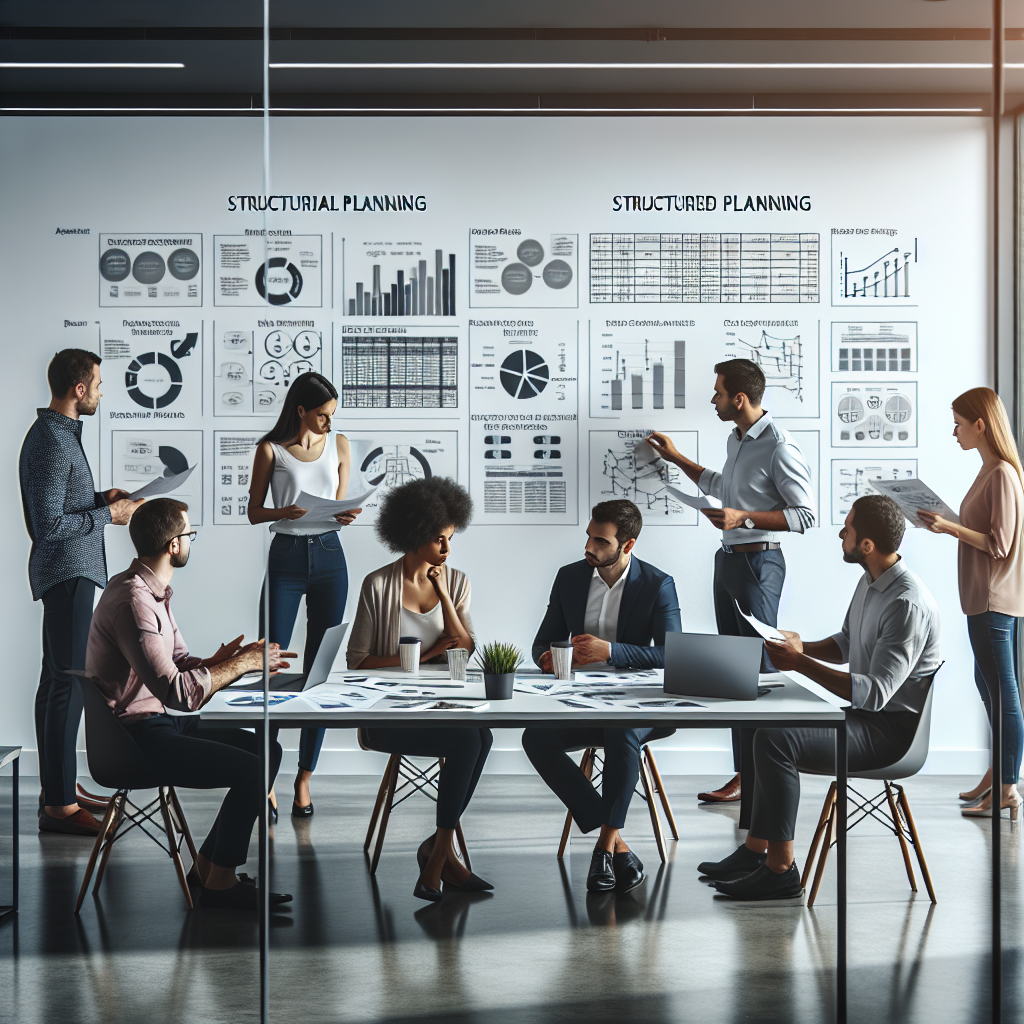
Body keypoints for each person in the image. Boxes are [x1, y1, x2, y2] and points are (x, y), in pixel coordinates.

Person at [698, 495, 941, 900]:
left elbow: (875, 694)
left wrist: (797, 664)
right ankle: (756, 851)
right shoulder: (871, 582)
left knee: (777, 740)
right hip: (866, 720)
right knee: (767, 725)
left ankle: (780, 871)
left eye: (848, 528)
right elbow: (846, 645)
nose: (841, 534)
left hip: (889, 735)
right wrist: (800, 646)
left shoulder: (905, 602)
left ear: (866, 544)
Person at [86, 498, 296, 910]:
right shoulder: (135, 601)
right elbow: (178, 694)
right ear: (173, 546)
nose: (190, 541)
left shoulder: (150, 590)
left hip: (156, 721)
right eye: (189, 535)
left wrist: (222, 660)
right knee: (253, 769)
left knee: (266, 749)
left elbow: (178, 662)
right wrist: (241, 666)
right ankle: (220, 881)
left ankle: (208, 867)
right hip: (136, 738)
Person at [647, 357, 816, 805]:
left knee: (759, 670)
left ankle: (766, 777)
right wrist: (675, 457)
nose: (713, 399)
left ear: (739, 398)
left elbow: (805, 515)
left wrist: (744, 517)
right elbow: (725, 485)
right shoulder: (736, 437)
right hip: (729, 563)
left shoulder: (780, 446)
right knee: (735, 674)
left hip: (760, 566)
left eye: (718, 392)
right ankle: (744, 776)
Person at [522, 499, 682, 894]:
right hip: (582, 697)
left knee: (621, 731)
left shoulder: (657, 584)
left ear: (627, 546)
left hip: (639, 703)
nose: (589, 548)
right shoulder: (570, 577)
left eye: (600, 541)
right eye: (589, 537)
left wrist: (610, 651)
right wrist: (546, 656)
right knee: (534, 737)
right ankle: (618, 845)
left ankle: (603, 851)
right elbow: (544, 640)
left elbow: (672, 655)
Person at [347, 477, 492, 902]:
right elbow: (357, 661)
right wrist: (424, 658)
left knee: (480, 735)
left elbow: (466, 648)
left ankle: (439, 849)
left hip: (441, 707)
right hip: (388, 717)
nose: (447, 549)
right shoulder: (378, 585)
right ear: (412, 535)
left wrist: (444, 594)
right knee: (470, 740)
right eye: (438, 539)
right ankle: (438, 858)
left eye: (450, 538)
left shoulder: (458, 582)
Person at [19, 349, 143, 836]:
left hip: (71, 572)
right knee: (66, 686)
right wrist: (107, 517)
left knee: (57, 683)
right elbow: (48, 525)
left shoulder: (59, 434)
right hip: (67, 572)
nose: (101, 391)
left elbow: (61, 505)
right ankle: (60, 809)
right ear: (79, 388)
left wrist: (99, 500)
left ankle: (60, 792)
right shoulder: (51, 439)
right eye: (98, 383)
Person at [248, 371, 360, 819]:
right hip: (287, 555)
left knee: (319, 671)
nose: (329, 424)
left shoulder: (341, 445)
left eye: (332, 416)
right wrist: (284, 512)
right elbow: (255, 512)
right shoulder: (270, 450)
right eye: (321, 415)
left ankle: (304, 778)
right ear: (300, 410)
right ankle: (266, 781)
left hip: (332, 555)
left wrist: (344, 513)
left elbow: (340, 500)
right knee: (269, 666)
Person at [918, 387, 1024, 817]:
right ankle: (998, 773)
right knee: (989, 687)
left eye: (959, 423)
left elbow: (998, 545)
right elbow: (984, 529)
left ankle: (1008, 787)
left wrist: (951, 528)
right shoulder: (988, 471)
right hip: (983, 598)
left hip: (993, 598)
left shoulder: (1000, 473)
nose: (954, 431)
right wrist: (946, 524)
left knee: (1004, 694)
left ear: (981, 425)